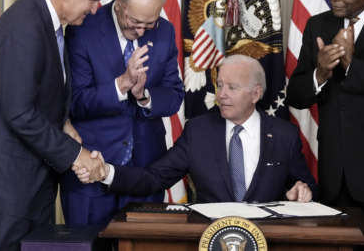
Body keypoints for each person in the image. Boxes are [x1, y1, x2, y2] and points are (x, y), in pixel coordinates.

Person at [0, 0, 112, 251]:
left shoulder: (47, 21)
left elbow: (38, 90)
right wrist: (76, 154)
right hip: (10, 179)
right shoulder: (24, 27)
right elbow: (19, 113)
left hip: (34, 175)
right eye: (93, 0)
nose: (94, 10)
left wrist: (63, 123)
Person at [76, 54, 317, 204]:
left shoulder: (284, 135)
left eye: (232, 88)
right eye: (219, 85)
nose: (221, 95)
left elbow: (303, 185)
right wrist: (106, 172)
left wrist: (301, 191)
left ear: (256, 93)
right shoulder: (199, 131)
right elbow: (154, 177)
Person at [60, 0, 184, 226]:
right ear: (119, 2)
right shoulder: (83, 27)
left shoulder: (164, 31)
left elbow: (174, 96)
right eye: (134, 21)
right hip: (92, 168)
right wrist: (120, 85)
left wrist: (143, 95)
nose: (140, 30)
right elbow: (75, 102)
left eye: (148, 24)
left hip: (145, 170)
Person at [286, 0, 364, 250]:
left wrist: (350, 64)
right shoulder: (318, 26)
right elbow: (296, 96)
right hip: (334, 174)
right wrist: (320, 73)